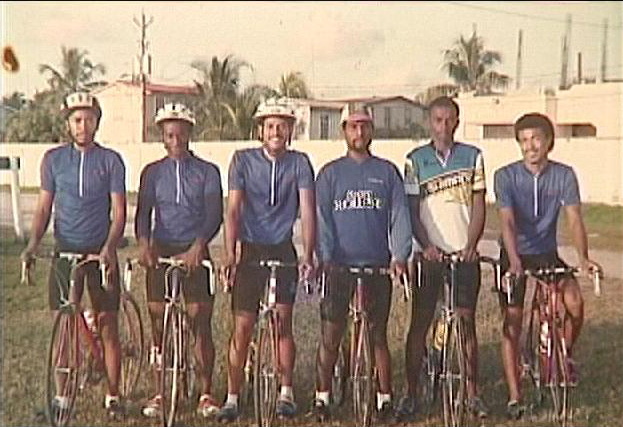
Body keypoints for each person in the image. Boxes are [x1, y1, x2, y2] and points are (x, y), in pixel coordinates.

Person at [20, 91, 127, 418]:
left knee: (108, 325)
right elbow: (43, 208)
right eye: (77, 120)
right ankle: (63, 397)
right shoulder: (53, 160)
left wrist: (109, 248)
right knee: (64, 324)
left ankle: (113, 395)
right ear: (68, 124)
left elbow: (119, 213)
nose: (83, 126)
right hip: (65, 251)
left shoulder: (110, 160)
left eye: (89, 119)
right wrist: (33, 244)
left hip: (98, 253)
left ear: (97, 122)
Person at [493, 112, 602, 420]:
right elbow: (507, 221)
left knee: (574, 303)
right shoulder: (506, 176)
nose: (530, 146)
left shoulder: (564, 175)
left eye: (536, 139)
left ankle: (561, 355)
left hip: (545, 253)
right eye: (524, 140)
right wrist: (514, 261)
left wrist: (583, 257)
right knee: (512, 323)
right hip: (514, 254)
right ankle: (515, 396)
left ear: (549, 141)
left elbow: (574, 219)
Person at [216, 97, 316, 422]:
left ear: (290, 131)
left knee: (282, 323)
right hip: (251, 249)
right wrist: (230, 254)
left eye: (282, 126)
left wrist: (308, 254)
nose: (276, 132)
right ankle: (232, 396)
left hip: (282, 248)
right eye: (270, 126)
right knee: (243, 327)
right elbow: (233, 210)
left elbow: (307, 211)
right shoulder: (242, 160)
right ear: (261, 130)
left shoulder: (300, 163)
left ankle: (286, 392)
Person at [311, 105, 412, 421]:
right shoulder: (330, 174)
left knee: (377, 334)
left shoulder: (387, 172)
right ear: (344, 130)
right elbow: (322, 218)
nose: (359, 132)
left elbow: (399, 216)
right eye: (353, 126)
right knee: (331, 334)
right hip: (339, 267)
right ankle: (322, 396)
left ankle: (384, 398)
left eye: (364, 126)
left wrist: (399, 256)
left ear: (372, 130)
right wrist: (326, 257)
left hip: (376, 265)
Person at [398, 95, 489, 420]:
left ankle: (472, 393)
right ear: (429, 123)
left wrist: (471, 244)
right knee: (420, 324)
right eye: (438, 120)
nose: (443, 126)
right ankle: (411, 393)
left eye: (449, 120)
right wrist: (426, 246)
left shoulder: (473, 156)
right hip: (429, 257)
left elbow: (479, 204)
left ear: (457, 122)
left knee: (466, 323)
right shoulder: (415, 160)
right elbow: (411, 210)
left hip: (463, 256)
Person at [134, 103, 223, 418]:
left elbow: (214, 214)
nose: (176, 140)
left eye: (181, 133)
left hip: (194, 249)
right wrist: (144, 244)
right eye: (169, 134)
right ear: (162, 136)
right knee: (158, 320)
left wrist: (199, 245)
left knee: (200, 320)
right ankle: (159, 392)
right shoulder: (152, 172)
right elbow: (143, 214)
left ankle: (206, 393)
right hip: (162, 249)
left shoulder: (207, 171)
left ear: (190, 134)